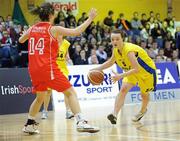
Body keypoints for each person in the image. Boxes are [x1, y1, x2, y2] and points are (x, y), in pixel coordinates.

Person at [19, 2, 99, 134]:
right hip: (47, 68)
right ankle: (81, 121)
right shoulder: (53, 29)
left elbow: (21, 40)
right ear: (51, 14)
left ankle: (29, 123)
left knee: (40, 98)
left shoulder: (32, 28)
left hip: (33, 70)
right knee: (70, 92)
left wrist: (26, 33)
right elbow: (76, 31)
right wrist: (90, 18)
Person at [93, 29, 157, 124]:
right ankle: (114, 114)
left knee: (144, 94)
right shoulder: (115, 49)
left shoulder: (129, 50)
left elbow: (136, 69)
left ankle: (143, 111)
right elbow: (111, 61)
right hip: (131, 71)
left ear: (123, 39)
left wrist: (120, 76)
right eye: (112, 39)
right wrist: (97, 69)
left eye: (117, 39)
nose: (114, 41)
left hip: (146, 72)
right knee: (123, 89)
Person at [41, 39, 74, 120]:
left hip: (62, 69)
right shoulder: (50, 42)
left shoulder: (66, 43)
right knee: (48, 92)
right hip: (51, 69)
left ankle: (68, 111)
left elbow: (67, 56)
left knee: (67, 90)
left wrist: (68, 59)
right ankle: (44, 111)